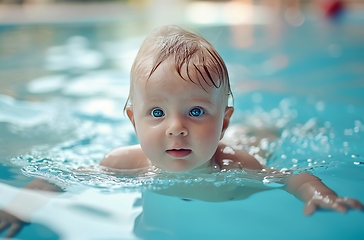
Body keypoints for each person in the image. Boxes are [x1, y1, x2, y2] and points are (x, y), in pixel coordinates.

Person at [100, 25, 363, 215]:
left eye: (195, 112)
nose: (176, 129)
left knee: (262, 137)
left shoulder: (236, 164)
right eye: (157, 113)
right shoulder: (120, 163)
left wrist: (317, 193)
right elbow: (66, 179)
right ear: (134, 122)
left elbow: (294, 178)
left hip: (248, 143)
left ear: (224, 123)